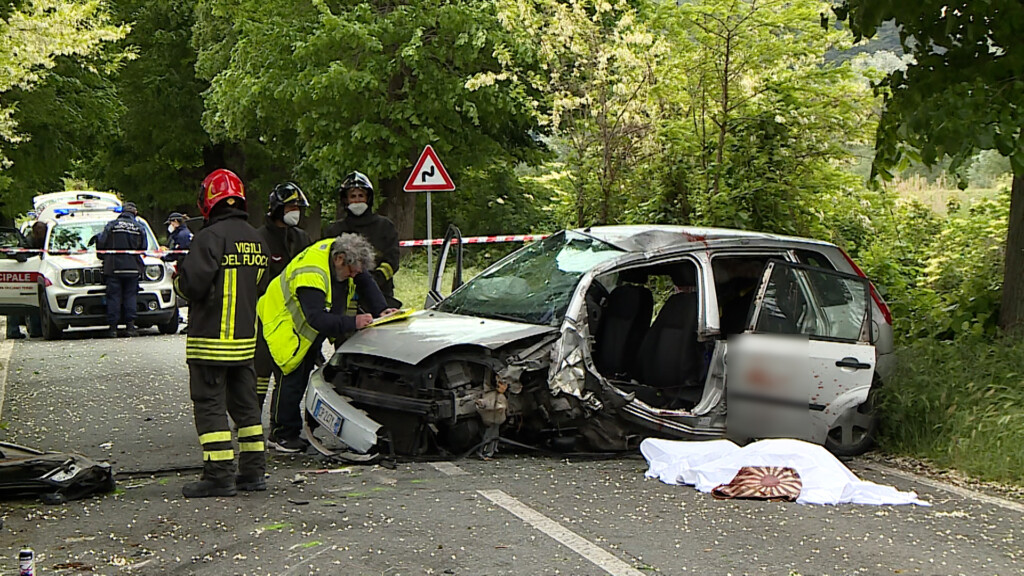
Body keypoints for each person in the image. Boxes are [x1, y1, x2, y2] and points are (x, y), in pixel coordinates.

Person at [174, 169, 270, 498]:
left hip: (210, 344)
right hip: (245, 345)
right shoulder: (257, 238)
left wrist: (178, 279)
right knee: (246, 408)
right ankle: (253, 471)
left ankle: (219, 475)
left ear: (208, 200)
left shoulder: (208, 238)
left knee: (210, 406)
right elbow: (261, 285)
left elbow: (192, 287)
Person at [257, 233, 395, 452]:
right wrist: (354, 321)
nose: (354, 276)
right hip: (282, 324)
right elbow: (317, 319)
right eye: (351, 271)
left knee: (299, 377)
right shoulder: (312, 273)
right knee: (291, 378)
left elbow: (364, 280)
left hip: (303, 326)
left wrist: (381, 308)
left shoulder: (343, 256)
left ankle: (287, 430)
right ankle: (282, 434)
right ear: (340, 259)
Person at [254, 182, 312, 408]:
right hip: (266, 314)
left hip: (294, 316)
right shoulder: (259, 238)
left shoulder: (301, 238)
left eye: (297, 206)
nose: (295, 211)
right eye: (290, 207)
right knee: (260, 368)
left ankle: (280, 420)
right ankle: (250, 417)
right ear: (277, 208)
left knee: (287, 369)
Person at [323, 172, 401, 308]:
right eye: (353, 196)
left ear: (368, 198)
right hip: (344, 295)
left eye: (361, 196)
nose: (357, 200)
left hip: (381, 294)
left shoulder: (384, 226)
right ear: (345, 200)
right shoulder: (334, 230)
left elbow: (392, 260)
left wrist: (376, 279)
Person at [96, 202, 145, 338]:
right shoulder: (139, 227)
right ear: (134, 213)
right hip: (132, 267)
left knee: (113, 297)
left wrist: (102, 256)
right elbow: (144, 247)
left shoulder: (111, 225)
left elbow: (101, 242)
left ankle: (113, 328)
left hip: (113, 267)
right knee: (130, 296)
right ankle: (130, 327)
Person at [4, 222, 47, 339]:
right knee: (17, 302)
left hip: (32, 274)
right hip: (21, 274)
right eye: (39, 231)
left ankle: (35, 329)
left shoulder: (41, 240)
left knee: (32, 301)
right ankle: (14, 331)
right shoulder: (27, 242)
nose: (41, 233)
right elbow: (19, 254)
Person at [163, 212, 193, 334]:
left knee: (190, 297)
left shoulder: (182, 235)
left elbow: (177, 253)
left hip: (187, 267)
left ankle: (191, 324)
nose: (170, 226)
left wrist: (163, 258)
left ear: (176, 222)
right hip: (188, 266)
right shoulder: (184, 233)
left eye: (171, 223)